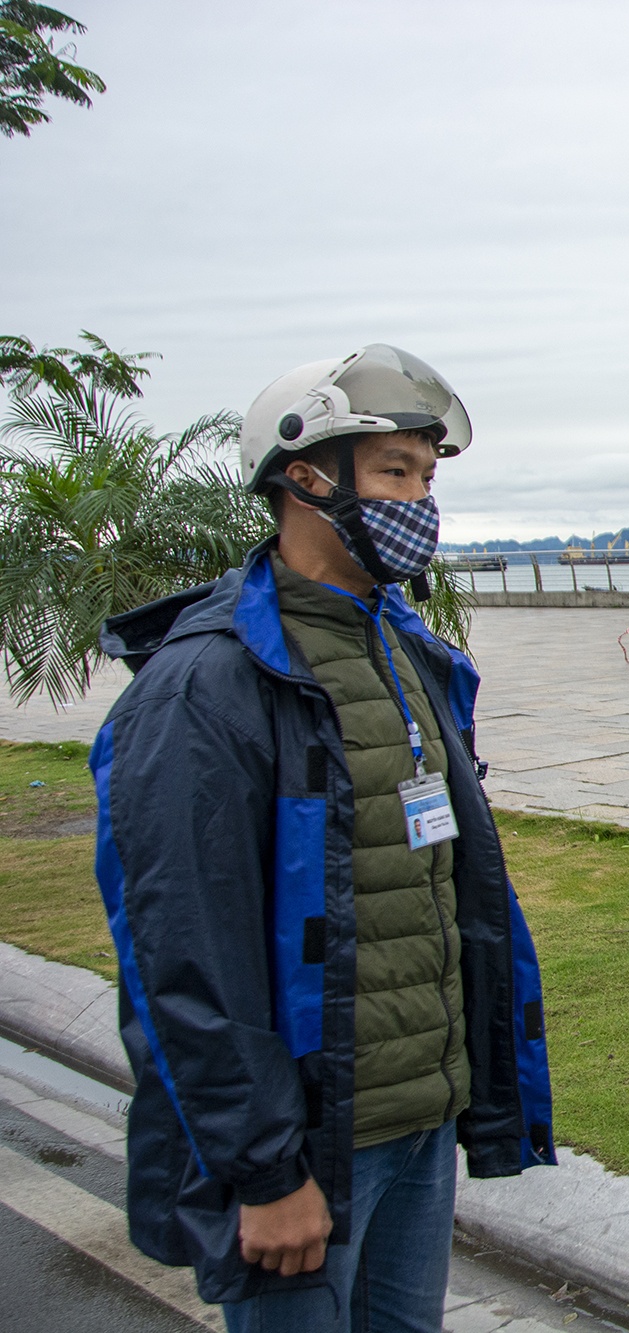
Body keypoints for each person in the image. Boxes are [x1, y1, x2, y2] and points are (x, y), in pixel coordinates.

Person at [90, 344, 557, 1332]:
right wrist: (262, 1173)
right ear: (304, 478)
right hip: (307, 1150)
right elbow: (183, 958)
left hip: (419, 1121)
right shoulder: (207, 686)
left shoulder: (405, 651)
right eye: (394, 471)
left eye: (427, 477)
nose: (420, 500)